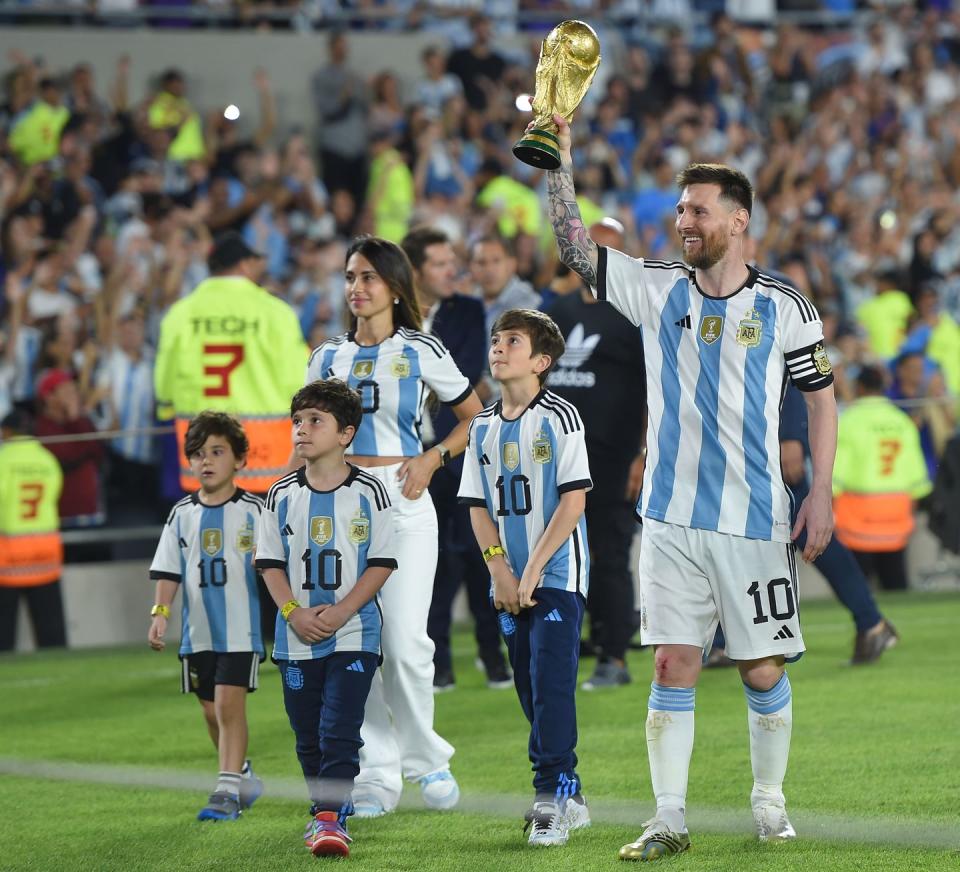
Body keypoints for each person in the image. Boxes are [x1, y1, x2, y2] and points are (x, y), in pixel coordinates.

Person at [543, 114, 838, 859]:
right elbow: (577, 248)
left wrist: (823, 489)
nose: (684, 222)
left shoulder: (784, 305)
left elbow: (821, 396)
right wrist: (560, 161)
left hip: (753, 520)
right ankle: (667, 817)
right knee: (673, 662)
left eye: (699, 210)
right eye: (680, 210)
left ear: (738, 221)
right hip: (669, 518)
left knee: (760, 666)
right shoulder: (655, 290)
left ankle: (768, 799)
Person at [306, 236, 482, 816]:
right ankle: (377, 776)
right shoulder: (325, 357)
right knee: (358, 646)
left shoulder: (423, 349)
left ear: (394, 286)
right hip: (339, 509)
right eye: (350, 277)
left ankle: (428, 760)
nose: (356, 288)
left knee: (406, 641)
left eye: (368, 278)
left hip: (403, 504)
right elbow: (306, 437)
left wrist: (433, 458)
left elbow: (475, 419)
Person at [458, 308, 593, 847]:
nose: (498, 347)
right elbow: (476, 505)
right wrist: (498, 568)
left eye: (511, 340)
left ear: (541, 361)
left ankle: (551, 797)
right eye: (495, 339)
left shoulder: (561, 417)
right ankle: (572, 791)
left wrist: (533, 570)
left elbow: (574, 500)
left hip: (556, 573)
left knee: (550, 679)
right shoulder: (483, 427)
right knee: (527, 686)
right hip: (509, 579)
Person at [256, 380, 397, 858]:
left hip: (355, 631)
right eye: (297, 421)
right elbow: (269, 564)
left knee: (339, 725)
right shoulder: (278, 494)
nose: (302, 430)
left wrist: (340, 611)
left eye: (316, 421)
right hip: (295, 635)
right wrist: (293, 612)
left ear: (345, 434)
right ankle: (329, 803)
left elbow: (380, 563)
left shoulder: (370, 491)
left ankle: (329, 820)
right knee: (307, 732)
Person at [708, 382, 899, 667]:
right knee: (736, 533)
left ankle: (870, 621)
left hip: (768, 439)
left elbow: (791, 363)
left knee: (806, 531)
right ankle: (724, 640)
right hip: (737, 439)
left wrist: (792, 435)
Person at [401, 226, 510, 692]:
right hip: (406, 462)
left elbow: (463, 377)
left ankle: (493, 655)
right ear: (414, 271)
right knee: (432, 565)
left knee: (478, 556)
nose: (454, 270)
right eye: (442, 263)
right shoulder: (393, 318)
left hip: (458, 451)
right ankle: (437, 661)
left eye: (453, 261)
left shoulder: (468, 311)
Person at [147, 411, 266, 822]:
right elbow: (168, 568)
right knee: (211, 712)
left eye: (217, 451)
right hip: (197, 635)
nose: (207, 461)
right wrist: (161, 613)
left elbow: (275, 566)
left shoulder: (255, 510)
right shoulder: (182, 513)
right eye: (198, 454)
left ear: (240, 459)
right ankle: (242, 774)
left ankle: (226, 792)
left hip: (240, 631)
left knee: (230, 709)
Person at [545, 218, 647, 689]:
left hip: (612, 455)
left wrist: (642, 454)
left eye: (610, 249)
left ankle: (615, 657)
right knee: (559, 555)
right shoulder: (557, 311)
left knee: (609, 555)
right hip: (557, 457)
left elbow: (655, 391)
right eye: (592, 247)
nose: (598, 257)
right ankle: (570, 645)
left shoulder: (634, 314)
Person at [155, 231, 308, 495]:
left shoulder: (181, 314)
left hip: (203, 462)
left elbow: (164, 387)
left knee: (209, 534)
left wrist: (166, 411)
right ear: (244, 265)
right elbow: (299, 382)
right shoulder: (275, 313)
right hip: (265, 463)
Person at [833, 365, 932, 591]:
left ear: (859, 387)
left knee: (858, 588)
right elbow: (917, 480)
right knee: (896, 585)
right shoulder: (902, 421)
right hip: (896, 512)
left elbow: (835, 475)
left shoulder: (848, 421)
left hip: (857, 513)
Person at [0, 408, 66, 651]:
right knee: (52, 635)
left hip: (7, 557)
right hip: (46, 555)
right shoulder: (47, 459)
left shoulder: (3, 459)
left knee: (4, 636)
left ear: (7, 431)